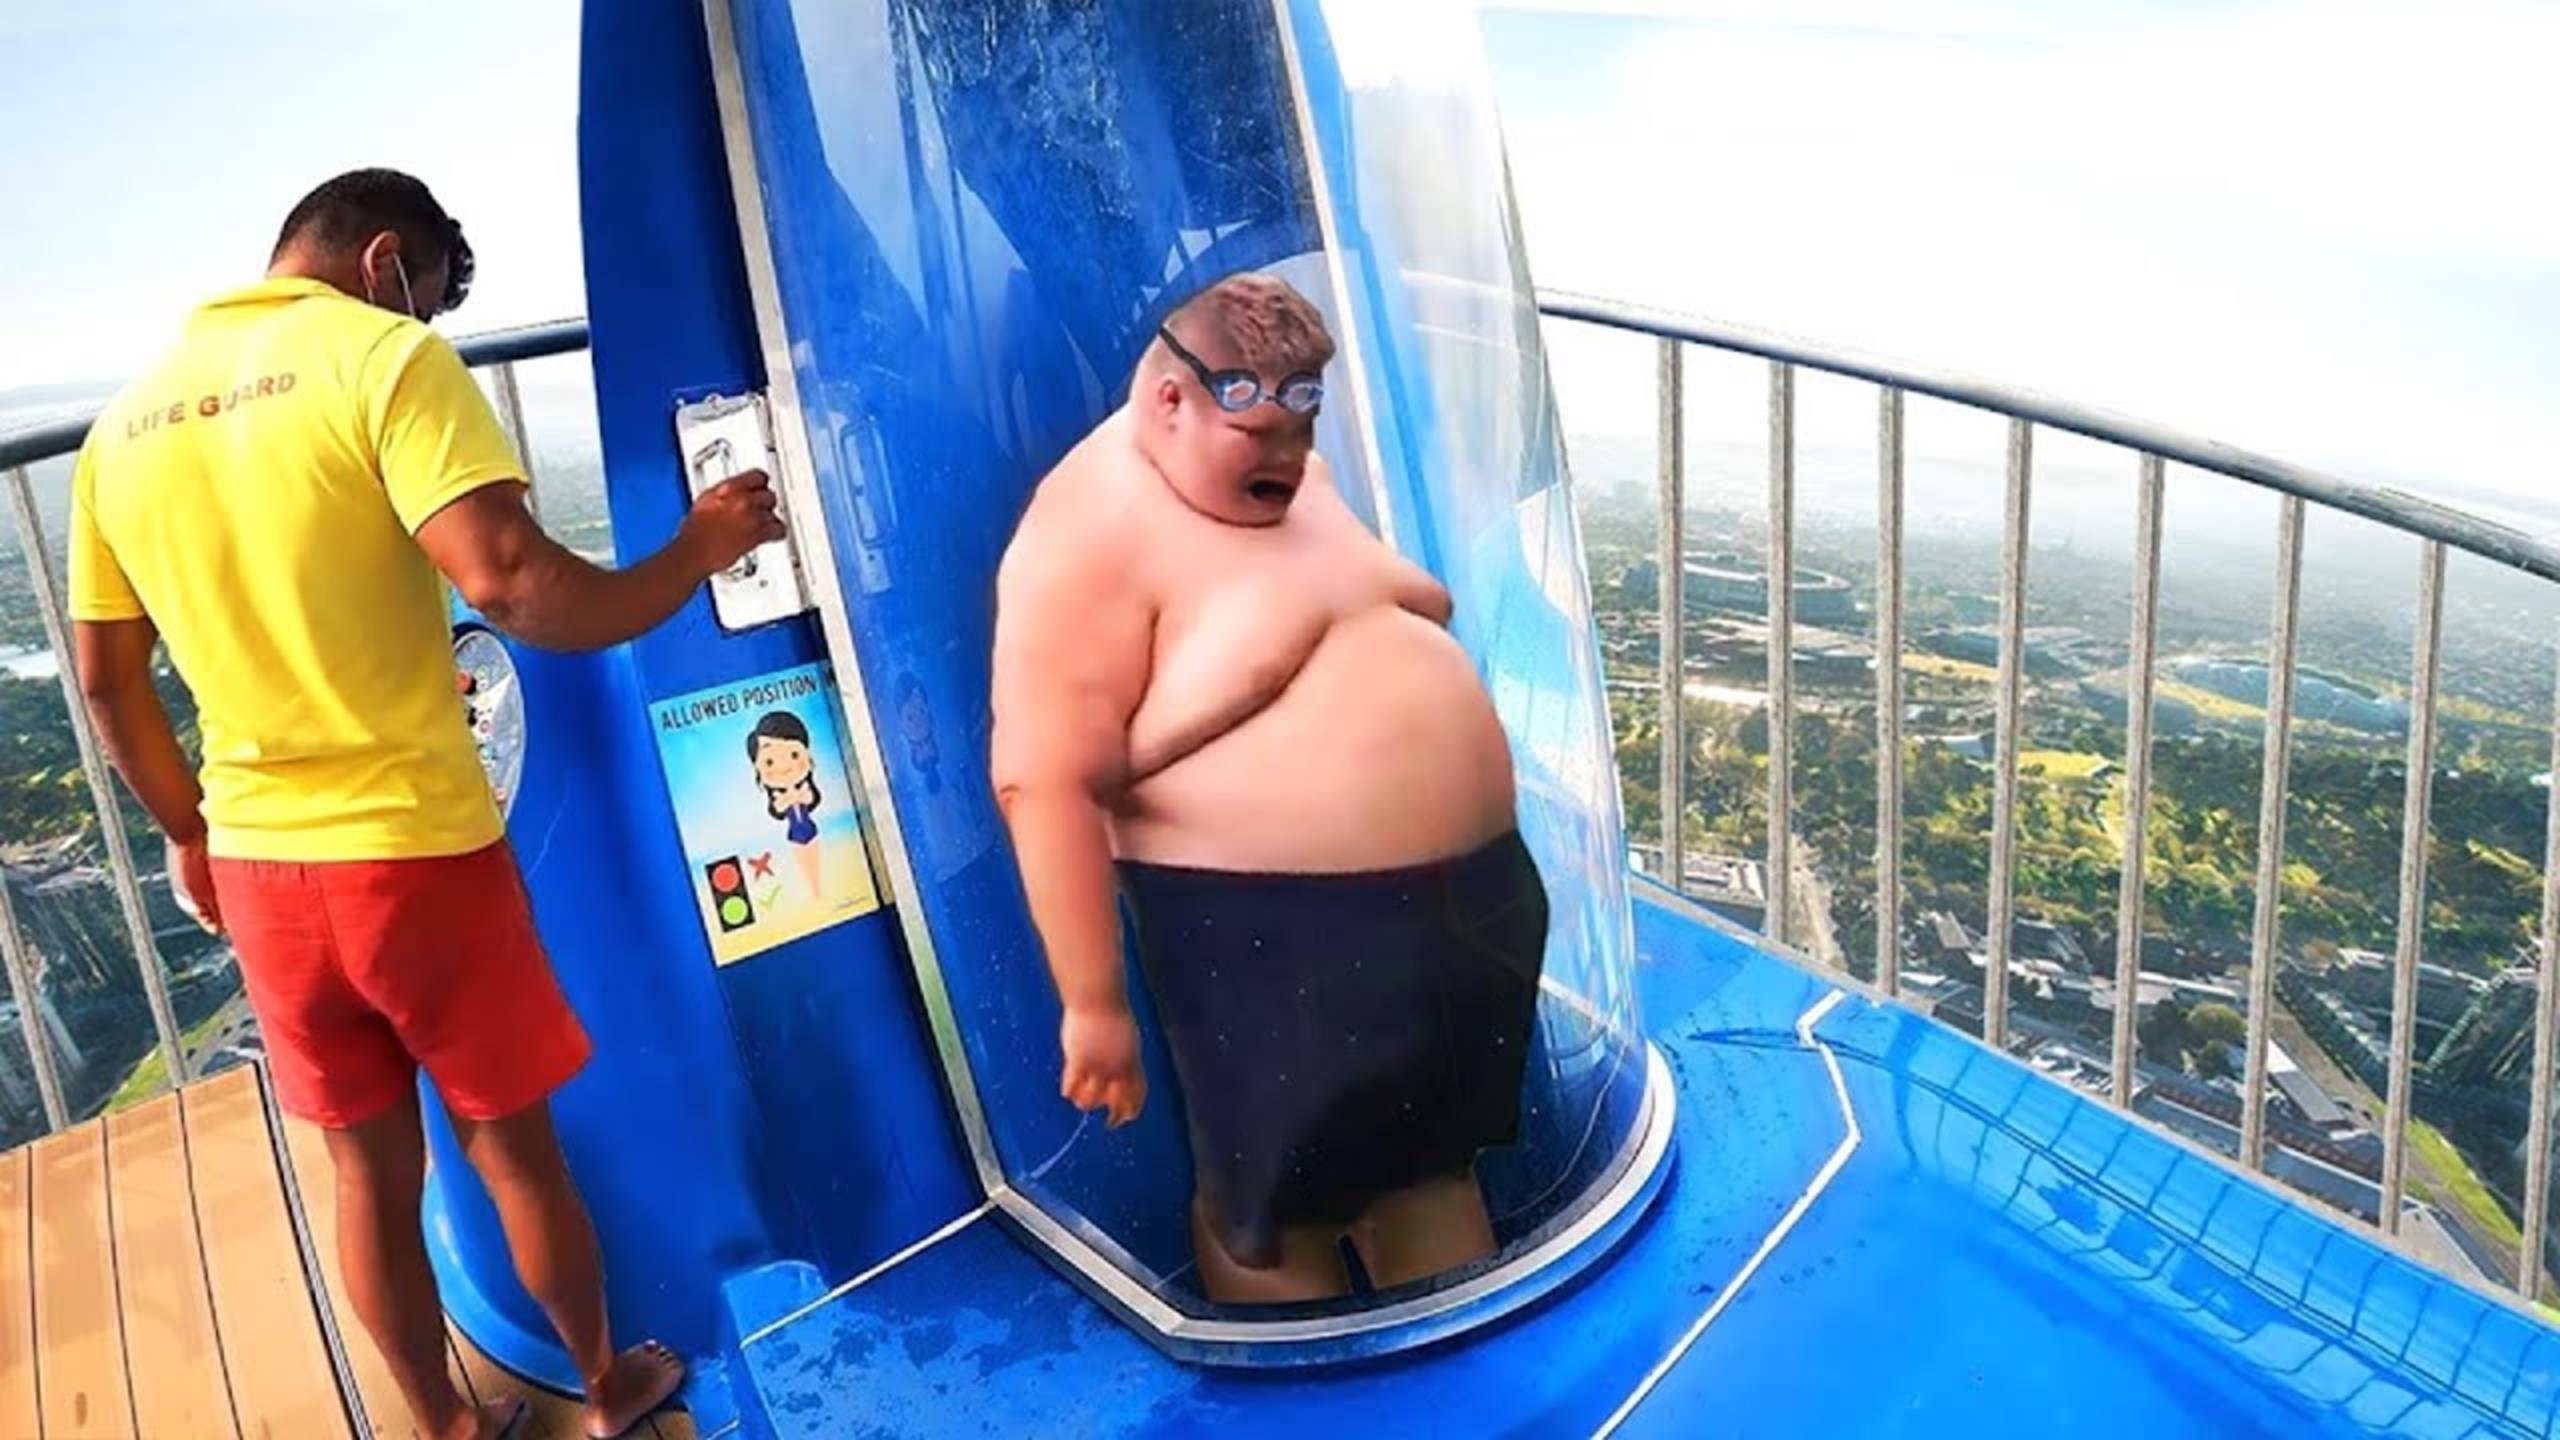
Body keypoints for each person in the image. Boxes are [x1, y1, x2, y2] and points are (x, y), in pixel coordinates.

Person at [67, 169, 783, 1440]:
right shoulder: (385, 359)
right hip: (415, 858)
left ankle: (444, 1425)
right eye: (434, 296)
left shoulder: (119, 430)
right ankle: (607, 1389)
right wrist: (696, 550)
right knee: (514, 1154)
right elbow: (510, 584)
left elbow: (107, 683)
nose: (431, 323)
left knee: (367, 1178)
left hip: (262, 873)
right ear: (385, 259)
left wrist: (188, 832)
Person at [990, 273, 1550, 1304]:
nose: (1288, 458)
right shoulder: (1083, 530)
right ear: (1170, 400)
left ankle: (1458, 1383)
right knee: (1274, 1221)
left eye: (1303, 427)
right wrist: (1093, 1005)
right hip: (1283, 931)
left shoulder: (1293, 482)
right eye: (1259, 434)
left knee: (1427, 1179)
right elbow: (1044, 775)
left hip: (1466, 910)